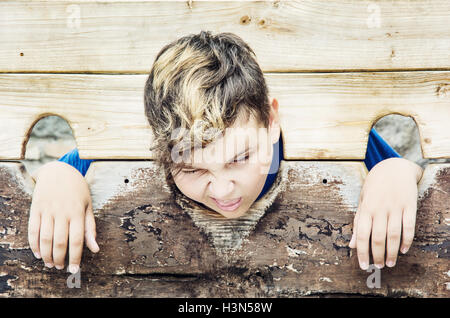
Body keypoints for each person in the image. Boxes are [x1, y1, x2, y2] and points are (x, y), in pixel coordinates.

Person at [29, 31, 423, 275]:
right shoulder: (114, 148)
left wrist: (395, 172)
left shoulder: (334, 142)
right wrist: (58, 178)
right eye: (191, 169)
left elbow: (410, 174)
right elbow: (68, 174)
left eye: (239, 158)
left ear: (272, 120)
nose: (222, 189)